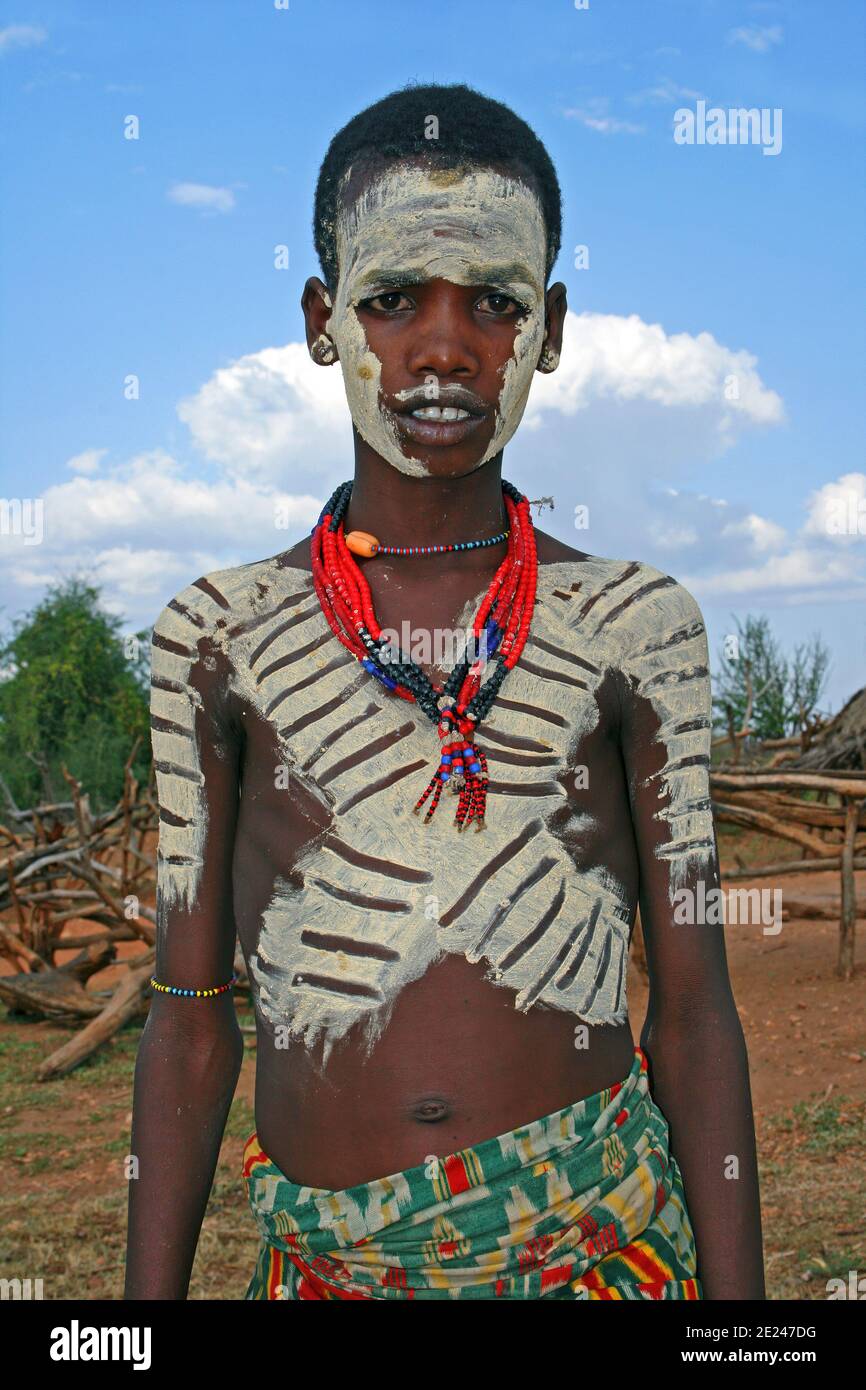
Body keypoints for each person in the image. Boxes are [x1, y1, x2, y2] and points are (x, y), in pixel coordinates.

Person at [125, 82, 764, 1301]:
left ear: (551, 328)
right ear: (322, 320)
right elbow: (190, 1015)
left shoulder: (637, 630)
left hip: (597, 1250)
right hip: (332, 1272)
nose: (441, 347)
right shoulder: (216, 640)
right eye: (389, 299)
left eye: (493, 302)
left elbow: (692, 1016)